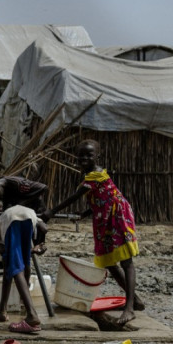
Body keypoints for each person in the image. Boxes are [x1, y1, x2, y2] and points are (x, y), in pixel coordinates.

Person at [49, 139, 142, 326]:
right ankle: (136, 301)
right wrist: (84, 213)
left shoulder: (94, 176)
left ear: (97, 157)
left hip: (117, 219)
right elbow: (103, 199)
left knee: (126, 261)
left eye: (89, 155)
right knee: (109, 262)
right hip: (105, 219)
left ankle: (130, 308)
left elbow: (75, 196)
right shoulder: (91, 176)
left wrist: (50, 212)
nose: (84, 158)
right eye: (81, 155)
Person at [0, 205, 48, 333]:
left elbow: (3, 251)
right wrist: (40, 244)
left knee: (14, 265)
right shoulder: (29, 214)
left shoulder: (2, 225)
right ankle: (1, 309)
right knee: (18, 263)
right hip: (29, 219)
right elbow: (43, 228)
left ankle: (32, 316)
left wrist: (6, 253)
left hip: (12, 222)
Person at [0, 173, 50, 252]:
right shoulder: (3, 191)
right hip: (20, 213)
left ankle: (30, 248)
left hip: (34, 211)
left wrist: (19, 206)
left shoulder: (17, 184)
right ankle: (8, 251)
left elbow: (43, 188)